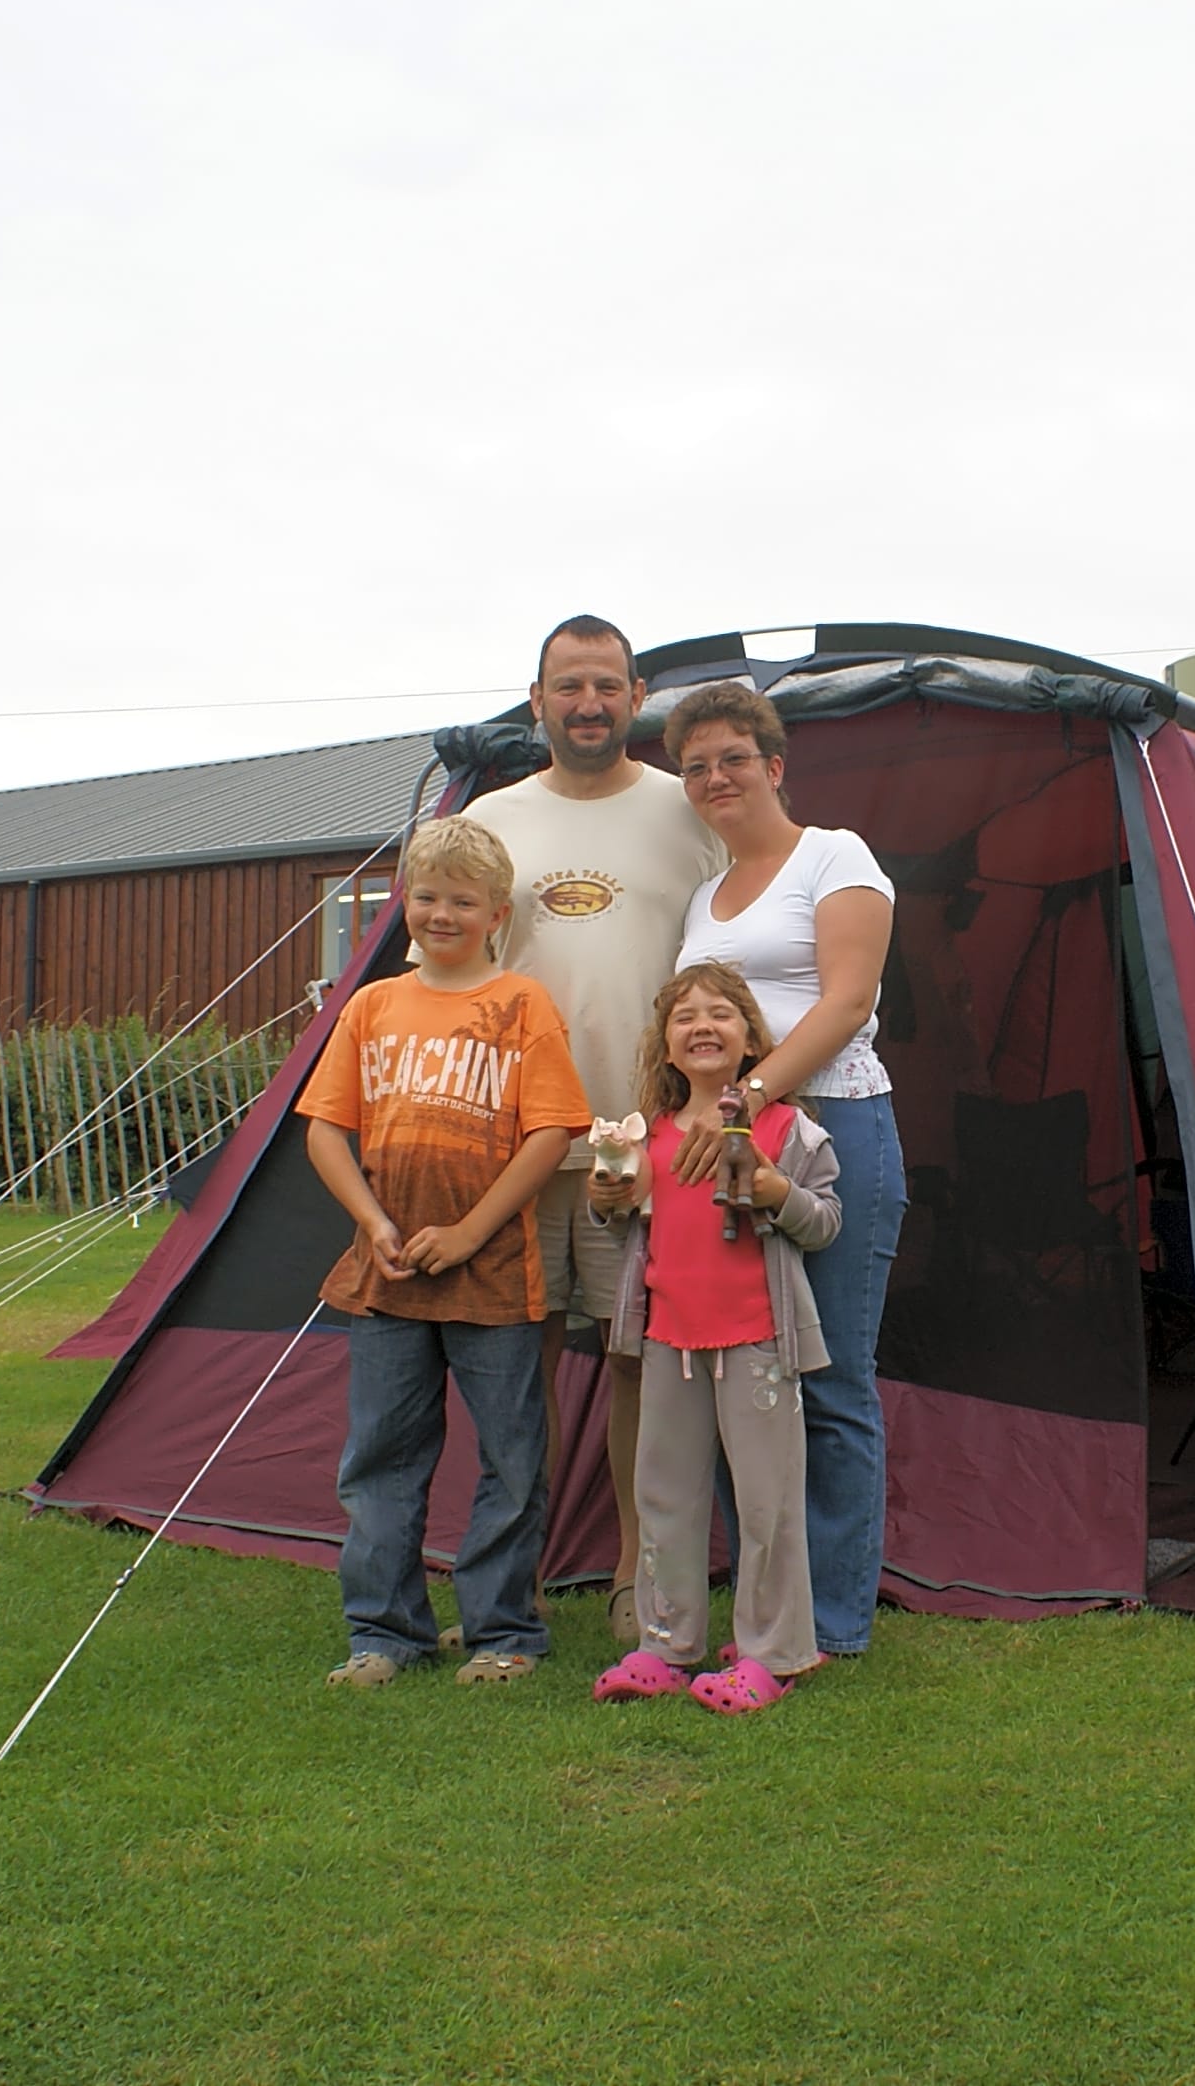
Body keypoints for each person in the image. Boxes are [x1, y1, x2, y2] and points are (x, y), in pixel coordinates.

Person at [461, 616, 729, 1638]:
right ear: (536, 700)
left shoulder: (687, 809)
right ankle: (507, 1585)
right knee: (511, 1371)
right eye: (567, 686)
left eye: (607, 686)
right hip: (516, 1144)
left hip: (649, 1145)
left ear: (635, 697)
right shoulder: (493, 818)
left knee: (640, 1370)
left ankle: (634, 1577)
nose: (587, 704)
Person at [297, 815, 590, 1690]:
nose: (442, 913)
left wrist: (471, 1231)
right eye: (426, 896)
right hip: (385, 1279)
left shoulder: (524, 1005)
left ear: (497, 912)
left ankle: (502, 1630)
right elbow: (323, 1131)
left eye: (463, 900)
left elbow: (548, 1136)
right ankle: (384, 1633)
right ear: (403, 904)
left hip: (496, 1276)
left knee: (510, 1455)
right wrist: (373, 1223)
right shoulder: (373, 1005)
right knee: (381, 1456)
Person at [662, 679, 902, 1661]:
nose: (714, 777)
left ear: (773, 765)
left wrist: (745, 1102)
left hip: (831, 1127)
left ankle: (836, 1620)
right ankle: (766, 1612)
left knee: (832, 1379)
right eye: (695, 766)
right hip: (727, 1146)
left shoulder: (835, 856)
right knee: (738, 1380)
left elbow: (844, 1002)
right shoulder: (700, 896)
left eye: (731, 757)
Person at [586, 962, 841, 1714]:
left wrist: (773, 1191)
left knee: (766, 1505)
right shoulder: (647, 1133)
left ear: (753, 1042)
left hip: (759, 1343)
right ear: (666, 1047)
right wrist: (606, 1199)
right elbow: (624, 1223)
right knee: (663, 1495)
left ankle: (774, 1651)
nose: (703, 1026)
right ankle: (666, 1644)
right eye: (685, 1017)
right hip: (669, 1341)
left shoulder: (787, 1130)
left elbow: (824, 1223)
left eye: (722, 1014)